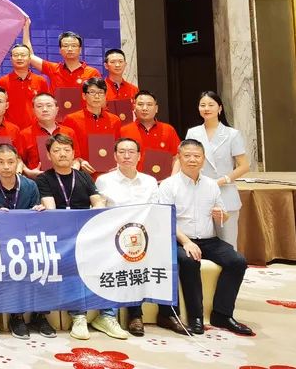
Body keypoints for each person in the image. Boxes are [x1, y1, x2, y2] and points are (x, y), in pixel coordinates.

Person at [35, 134, 128, 341]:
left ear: (74, 153)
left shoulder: (84, 177)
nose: (62, 154)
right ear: (49, 155)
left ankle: (107, 316)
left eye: (66, 150)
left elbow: (97, 202)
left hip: (88, 234)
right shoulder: (43, 179)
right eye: (56, 150)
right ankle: (78, 316)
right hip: (61, 238)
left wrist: (97, 210)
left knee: (111, 259)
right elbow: (51, 209)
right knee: (73, 261)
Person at [156, 139, 254, 337]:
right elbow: (166, 219)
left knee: (237, 261)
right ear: (179, 157)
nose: (192, 160)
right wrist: (186, 242)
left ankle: (222, 314)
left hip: (209, 239)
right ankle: (196, 317)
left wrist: (221, 215)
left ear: (203, 159)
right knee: (190, 260)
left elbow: (222, 214)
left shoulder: (211, 185)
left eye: (197, 156)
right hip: (179, 239)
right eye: (187, 156)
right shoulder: (168, 185)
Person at [96, 137, 158, 336]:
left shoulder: (150, 182)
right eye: (121, 152)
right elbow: (99, 212)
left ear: (139, 156)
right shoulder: (104, 181)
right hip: (113, 237)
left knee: (141, 253)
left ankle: (135, 315)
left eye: (131, 152)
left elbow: (156, 212)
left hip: (143, 236)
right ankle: (111, 315)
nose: (126, 156)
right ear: (115, 156)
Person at [0, 143, 43, 339]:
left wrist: (38, 211)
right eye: (1, 162)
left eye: (10, 162)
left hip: (25, 241)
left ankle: (39, 315)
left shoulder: (30, 186)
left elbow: (37, 219)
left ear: (18, 162)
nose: (6, 167)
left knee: (42, 262)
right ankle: (16, 316)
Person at [184, 91, 251, 250]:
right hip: (198, 194)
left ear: (219, 108)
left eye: (211, 105)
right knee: (200, 244)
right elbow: (185, 160)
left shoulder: (232, 134)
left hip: (225, 193)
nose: (206, 108)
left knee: (227, 244)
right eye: (202, 105)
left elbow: (244, 166)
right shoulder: (193, 133)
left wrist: (222, 180)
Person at [22, 20, 101, 96]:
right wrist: (26, 28)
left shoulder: (92, 73)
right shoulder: (53, 69)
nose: (70, 49)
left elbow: (99, 97)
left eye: (74, 46)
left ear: (80, 49)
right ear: (60, 50)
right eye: (65, 46)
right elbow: (29, 56)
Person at [62, 77, 123, 173]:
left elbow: (118, 147)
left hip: (109, 173)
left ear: (105, 96)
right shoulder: (71, 119)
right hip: (82, 173)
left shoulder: (115, 120)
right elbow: (65, 147)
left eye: (100, 92)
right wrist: (79, 161)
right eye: (92, 92)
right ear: (84, 95)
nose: (97, 96)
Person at [118, 91, 181, 179]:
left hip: (162, 182)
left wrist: (172, 180)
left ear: (156, 108)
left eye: (149, 104)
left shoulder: (168, 130)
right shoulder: (124, 130)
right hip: (132, 181)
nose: (145, 108)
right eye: (140, 104)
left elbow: (176, 157)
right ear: (134, 107)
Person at [17, 93, 78, 178]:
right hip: (37, 181)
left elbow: (76, 158)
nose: (45, 109)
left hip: (66, 180)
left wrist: (74, 170)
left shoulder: (69, 132)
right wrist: (28, 172)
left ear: (57, 109)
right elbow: (18, 159)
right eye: (39, 106)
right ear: (33, 110)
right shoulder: (24, 134)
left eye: (49, 105)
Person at [0, 44, 50, 129]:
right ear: (11, 59)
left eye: (23, 55)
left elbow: (46, 105)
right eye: (16, 55)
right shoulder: (2, 82)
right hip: (10, 129)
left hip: (35, 129)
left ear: (29, 59)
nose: (19, 58)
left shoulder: (40, 81)